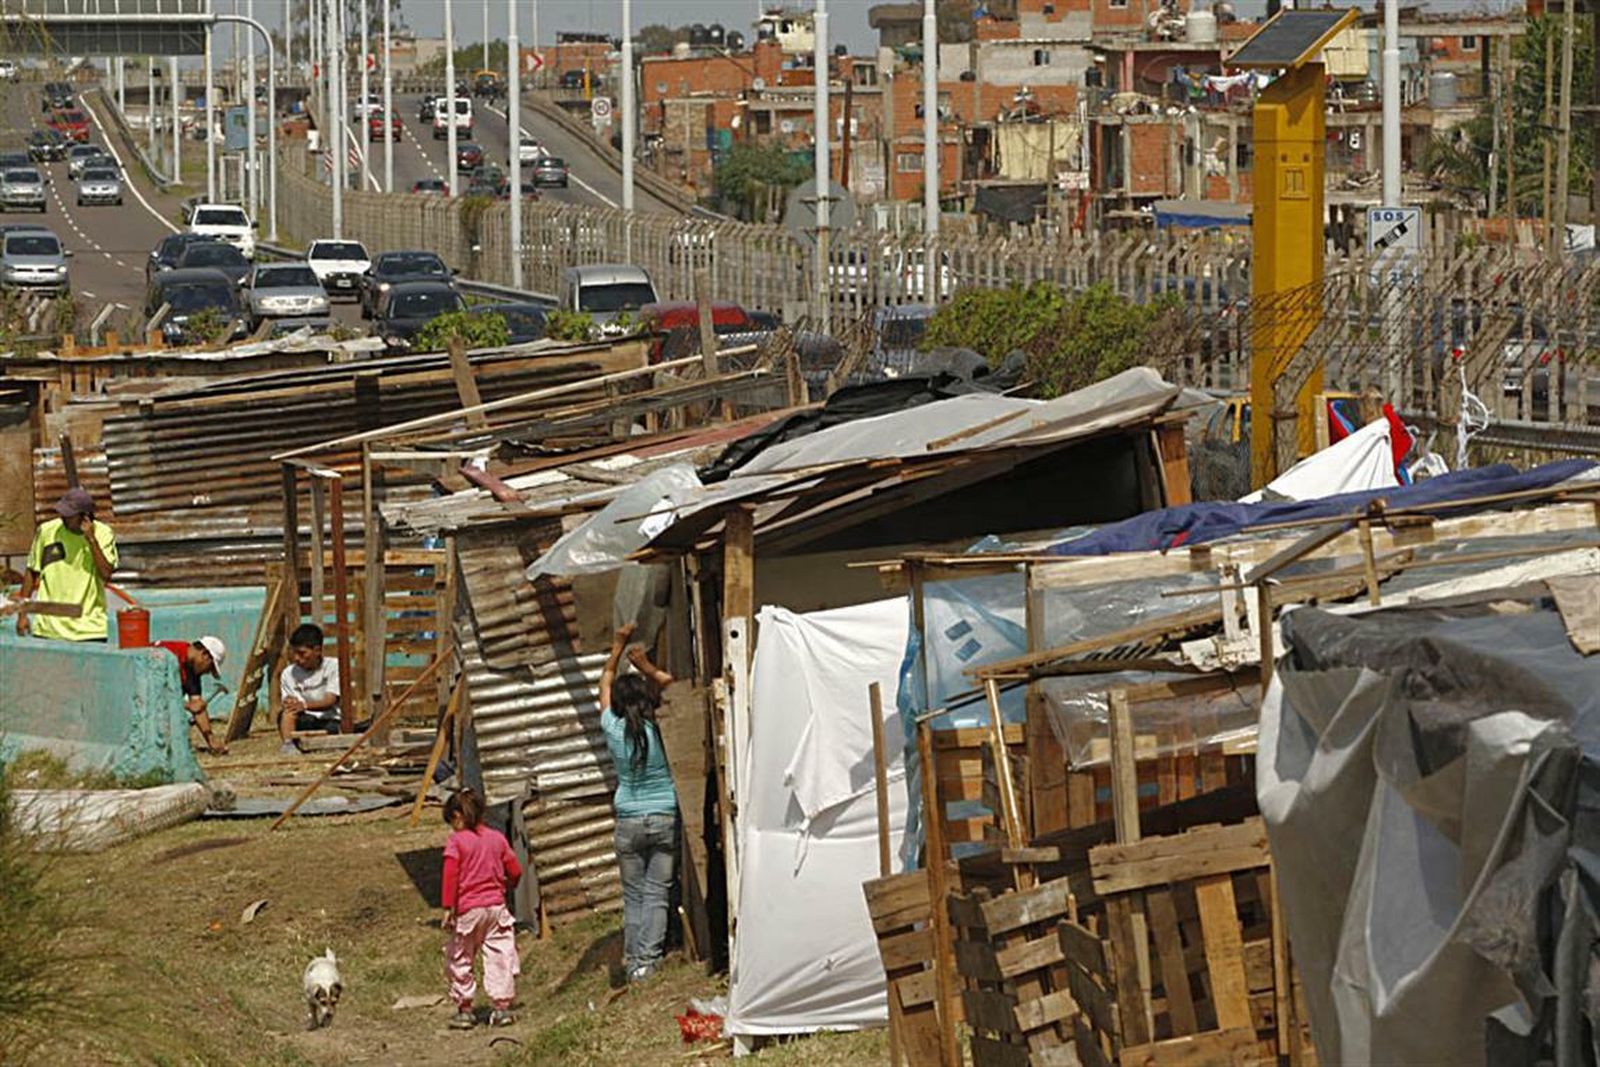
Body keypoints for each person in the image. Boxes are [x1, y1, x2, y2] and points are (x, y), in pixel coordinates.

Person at [599, 622, 678, 983]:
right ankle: (647, 962)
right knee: (657, 894)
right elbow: (670, 684)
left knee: (634, 896)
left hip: (628, 821)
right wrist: (645, 665)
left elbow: (604, 682)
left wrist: (618, 647)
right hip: (664, 817)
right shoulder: (659, 726)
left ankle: (633, 963)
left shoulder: (613, 729)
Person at [440, 787, 522, 1030]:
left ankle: (465, 1009)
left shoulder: (457, 841)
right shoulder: (497, 838)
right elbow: (515, 869)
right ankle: (501, 1008)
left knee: (461, 956)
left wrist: (448, 907)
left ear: (458, 815)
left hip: (468, 910)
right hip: (496, 908)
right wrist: (507, 886)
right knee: (500, 955)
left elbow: (450, 876)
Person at [16, 488, 117, 641]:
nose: (63, 517)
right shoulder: (46, 531)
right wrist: (22, 614)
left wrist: (91, 540)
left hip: (88, 630)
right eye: (62, 512)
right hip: (48, 629)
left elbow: (106, 574)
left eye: (69, 515)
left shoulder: (103, 534)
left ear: (85, 517)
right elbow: (31, 572)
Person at [154, 635, 229, 756]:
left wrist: (210, 739)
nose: (207, 672)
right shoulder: (166, 655)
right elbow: (150, 695)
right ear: (204, 655)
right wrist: (186, 705)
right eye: (210, 667)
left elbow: (198, 706)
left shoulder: (193, 671)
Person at [278, 623, 341, 756]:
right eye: (294, 653)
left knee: (332, 728)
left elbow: (330, 700)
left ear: (317, 650)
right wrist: (291, 703)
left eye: (302, 653)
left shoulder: (333, 667)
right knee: (287, 713)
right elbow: (292, 704)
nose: (296, 658)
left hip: (329, 718)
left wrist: (305, 705)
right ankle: (288, 745)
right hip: (305, 719)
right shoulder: (289, 673)